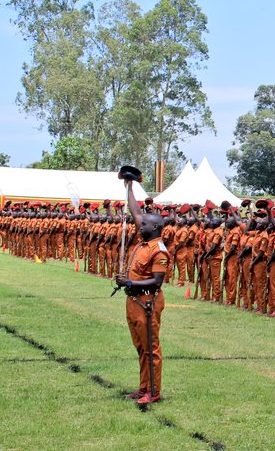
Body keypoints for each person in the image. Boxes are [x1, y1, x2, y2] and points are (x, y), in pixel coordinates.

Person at [114, 173, 169, 405]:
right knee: (140, 347)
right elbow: (135, 211)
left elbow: (156, 281)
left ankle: (153, 392)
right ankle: (143, 386)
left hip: (147, 301)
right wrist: (129, 187)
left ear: (155, 227)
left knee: (150, 348)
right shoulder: (144, 241)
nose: (139, 224)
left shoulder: (159, 250)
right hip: (134, 301)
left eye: (144, 223)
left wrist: (129, 283)